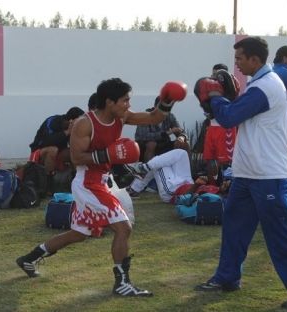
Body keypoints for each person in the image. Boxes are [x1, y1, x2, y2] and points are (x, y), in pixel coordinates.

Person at [16, 78, 187, 297]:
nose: (128, 104)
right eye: (125, 100)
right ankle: (122, 283)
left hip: (101, 180)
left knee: (79, 234)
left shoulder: (121, 116)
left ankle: (28, 259)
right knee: (124, 227)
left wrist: (167, 101)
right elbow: (76, 158)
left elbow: (154, 117)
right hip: (87, 182)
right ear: (109, 102)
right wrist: (109, 154)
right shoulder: (84, 124)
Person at [193, 37, 287, 310]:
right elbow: (235, 112)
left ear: (254, 59)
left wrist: (214, 97)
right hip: (248, 172)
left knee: (281, 233)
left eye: (239, 58)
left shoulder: (267, 86)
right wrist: (221, 100)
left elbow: (228, 117)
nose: (235, 63)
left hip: (269, 174)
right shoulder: (257, 86)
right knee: (235, 228)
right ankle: (227, 277)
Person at [124, 144, 219, 203]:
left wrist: (196, 185)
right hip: (187, 181)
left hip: (172, 191)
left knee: (157, 165)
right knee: (182, 153)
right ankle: (141, 173)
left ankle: (141, 173)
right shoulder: (218, 191)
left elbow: (185, 198)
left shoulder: (210, 199)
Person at [29, 107, 85, 189]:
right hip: (39, 152)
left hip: (59, 153)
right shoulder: (52, 122)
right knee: (53, 150)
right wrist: (67, 132)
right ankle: (48, 184)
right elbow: (45, 142)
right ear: (71, 121)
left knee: (74, 151)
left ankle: (76, 182)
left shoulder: (74, 128)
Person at [202, 64, 239, 186]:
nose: (214, 77)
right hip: (212, 127)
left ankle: (227, 187)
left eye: (217, 75)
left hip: (225, 127)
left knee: (226, 161)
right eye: (213, 74)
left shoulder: (232, 85)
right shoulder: (209, 87)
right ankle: (212, 187)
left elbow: (233, 101)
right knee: (209, 158)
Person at [134, 96, 185, 162]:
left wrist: (181, 137)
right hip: (144, 146)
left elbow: (180, 130)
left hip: (164, 144)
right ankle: (148, 169)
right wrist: (166, 133)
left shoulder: (170, 116)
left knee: (183, 143)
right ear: (155, 107)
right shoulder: (145, 117)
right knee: (151, 144)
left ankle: (186, 170)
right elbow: (145, 136)